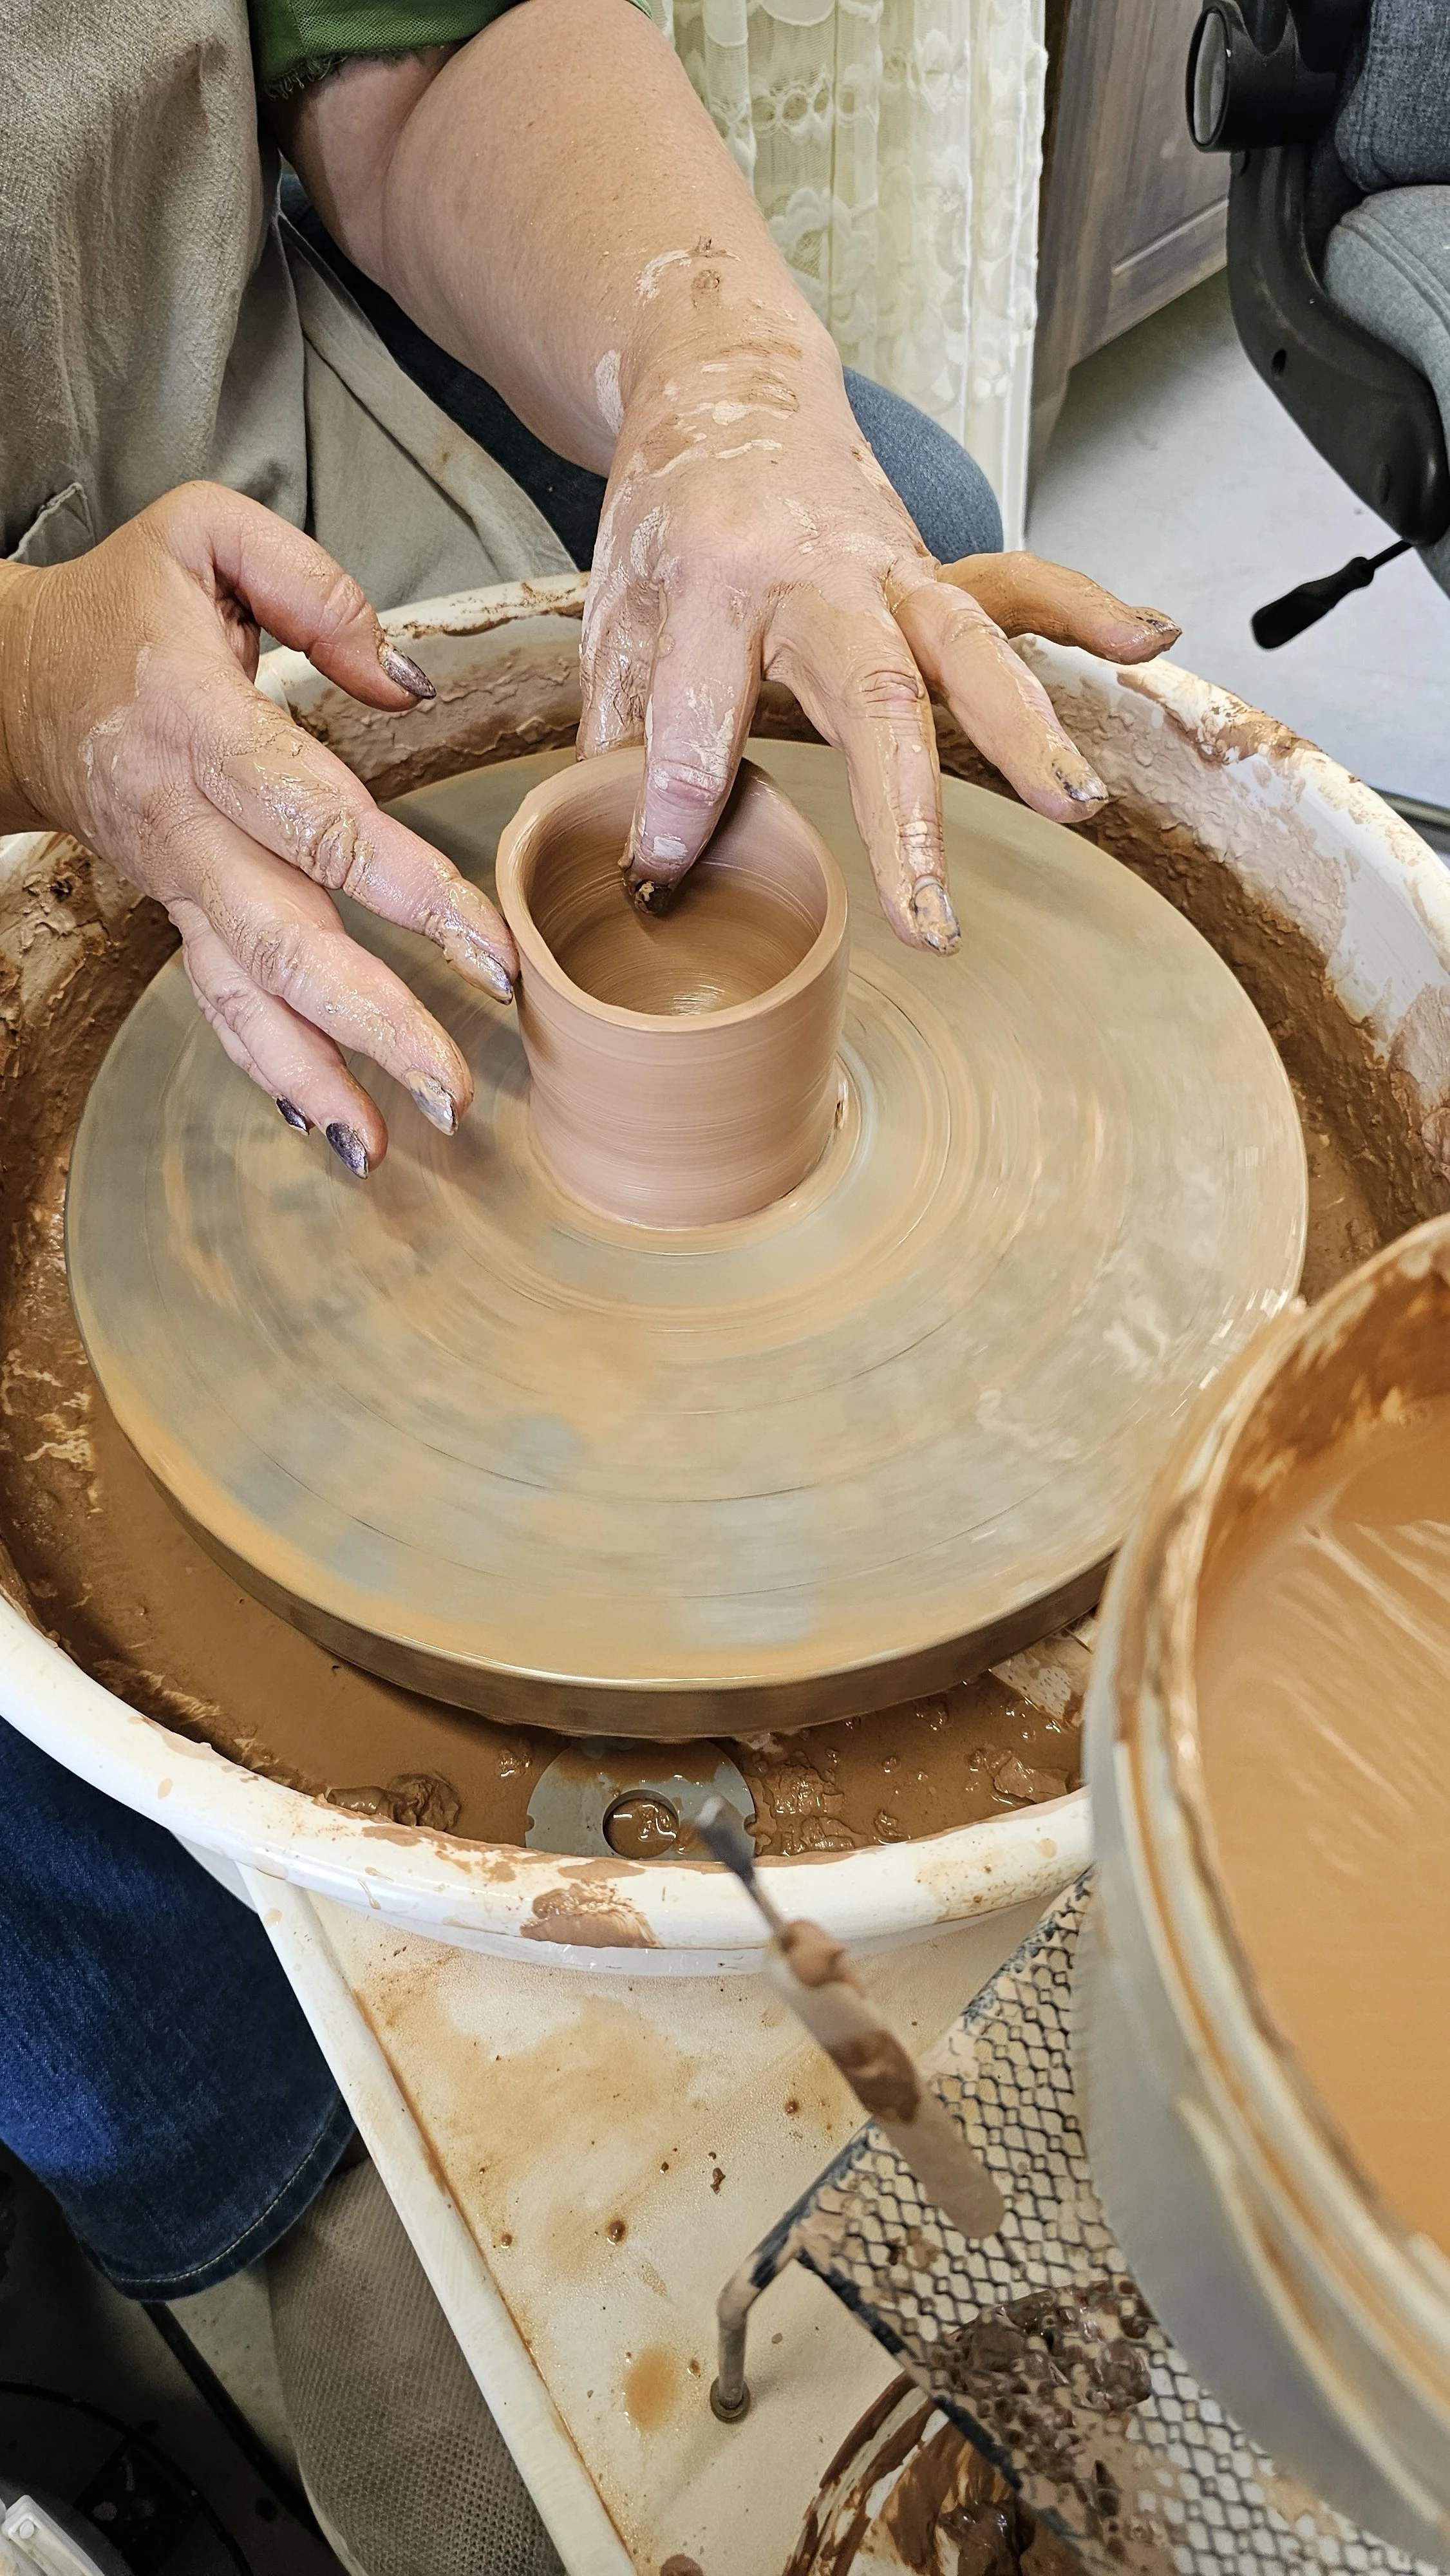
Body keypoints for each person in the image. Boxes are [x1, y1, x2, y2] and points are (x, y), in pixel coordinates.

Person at [0, 2, 1180, 2565]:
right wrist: (26, 686)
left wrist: (720, 380)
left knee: (898, 517)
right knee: (125, 1757)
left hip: (231, 464)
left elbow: (416, 50)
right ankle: (255, 2164)